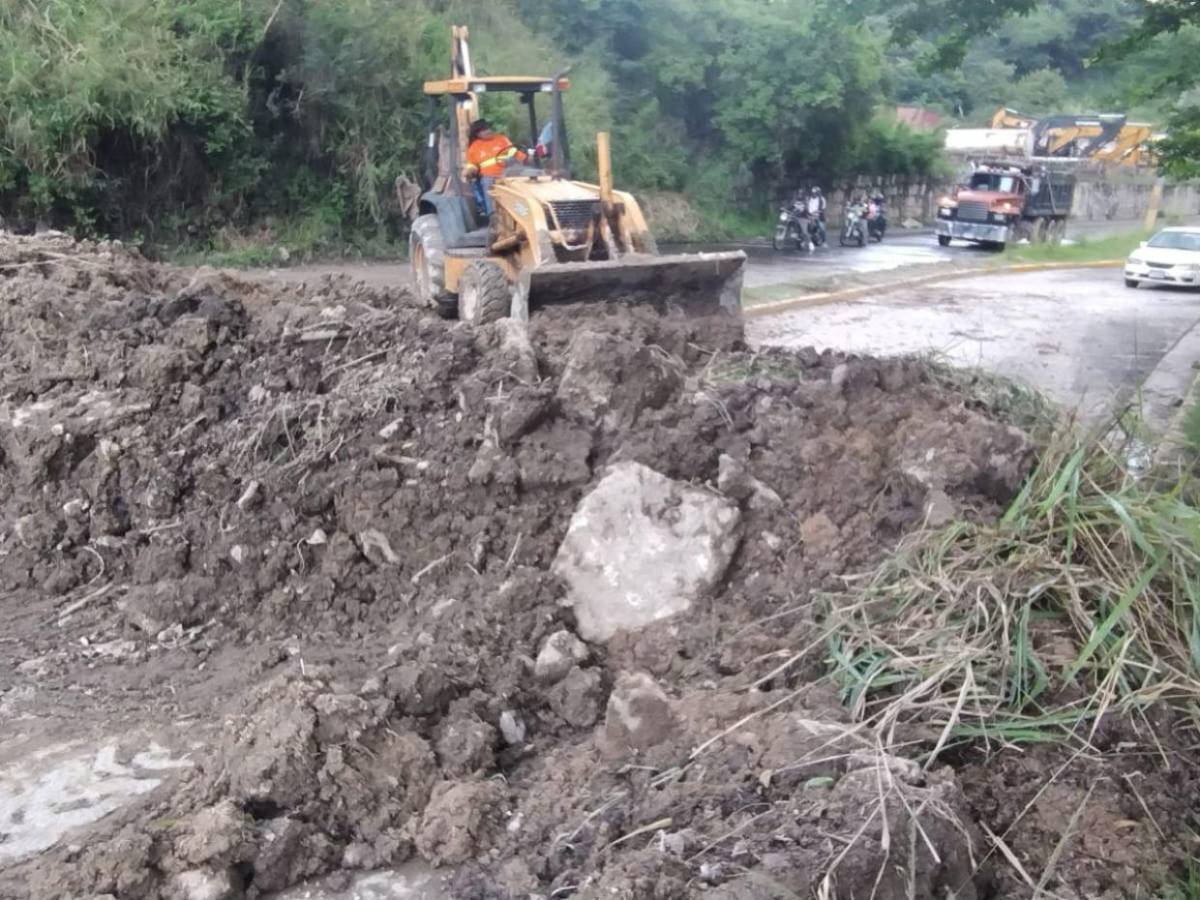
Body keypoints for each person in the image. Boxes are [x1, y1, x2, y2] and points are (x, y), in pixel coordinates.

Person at [464, 119, 528, 217]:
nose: (488, 131)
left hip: (509, 174)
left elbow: (514, 153)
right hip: (489, 176)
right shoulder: (474, 147)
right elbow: (472, 164)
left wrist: (526, 158)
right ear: (477, 134)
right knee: (488, 187)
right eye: (483, 130)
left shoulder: (502, 139)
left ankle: (523, 213)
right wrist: (470, 171)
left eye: (488, 128)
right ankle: (493, 216)